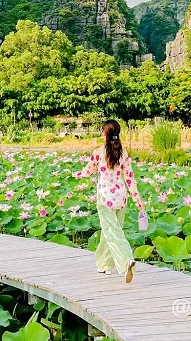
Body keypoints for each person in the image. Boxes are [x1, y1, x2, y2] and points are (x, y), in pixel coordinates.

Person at [76, 119, 148, 283]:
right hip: (121, 198)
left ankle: (126, 261)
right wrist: (138, 200)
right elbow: (130, 179)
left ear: (104, 134)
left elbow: (88, 171)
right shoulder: (123, 154)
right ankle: (105, 264)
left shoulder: (98, 153)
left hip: (105, 198)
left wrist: (77, 175)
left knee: (113, 232)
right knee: (110, 231)